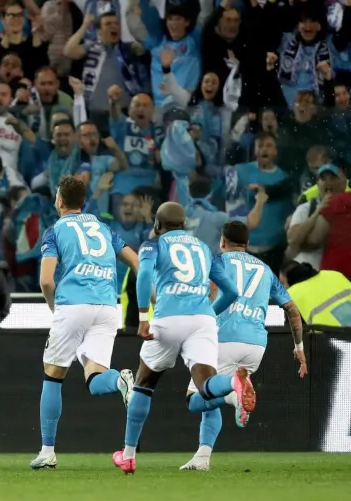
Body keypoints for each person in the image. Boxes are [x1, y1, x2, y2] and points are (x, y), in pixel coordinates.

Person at [114, 202, 247, 475]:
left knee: (143, 384)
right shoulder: (203, 249)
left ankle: (128, 455)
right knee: (206, 384)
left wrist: (142, 317)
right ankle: (233, 382)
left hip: (168, 319)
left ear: (157, 224)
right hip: (202, 322)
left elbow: (145, 274)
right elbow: (232, 291)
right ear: (184, 224)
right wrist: (207, 313)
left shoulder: (153, 244)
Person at [31, 176, 140, 470]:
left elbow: (45, 280)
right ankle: (120, 380)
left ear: (60, 201)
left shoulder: (54, 231)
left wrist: (55, 308)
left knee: (53, 375)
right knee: (94, 378)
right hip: (107, 306)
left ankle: (47, 451)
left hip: (73, 304)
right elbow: (135, 261)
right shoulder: (103, 229)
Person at [179, 221, 306, 472]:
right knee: (211, 394)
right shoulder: (266, 270)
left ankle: (233, 395)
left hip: (222, 339)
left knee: (194, 399)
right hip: (256, 345)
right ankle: (202, 457)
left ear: (222, 241)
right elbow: (291, 309)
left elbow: (210, 291)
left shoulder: (217, 262)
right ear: (247, 245)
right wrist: (299, 347)